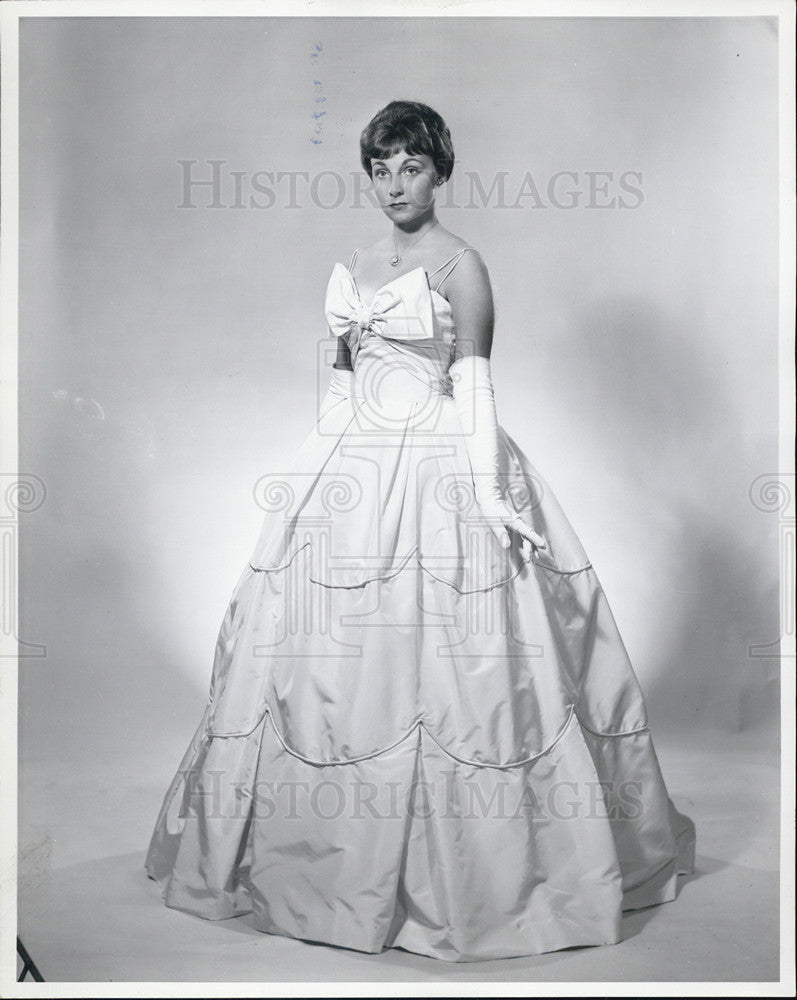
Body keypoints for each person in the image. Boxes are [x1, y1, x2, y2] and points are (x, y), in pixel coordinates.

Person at [145, 100, 695, 963]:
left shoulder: (462, 265)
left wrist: (489, 494)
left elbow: (473, 388)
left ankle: (480, 882)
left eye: (410, 166)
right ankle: (318, 867)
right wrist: (304, 481)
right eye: (381, 167)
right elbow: (337, 383)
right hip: (353, 468)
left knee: (458, 669)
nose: (395, 183)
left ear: (440, 171)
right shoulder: (358, 265)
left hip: (441, 465)